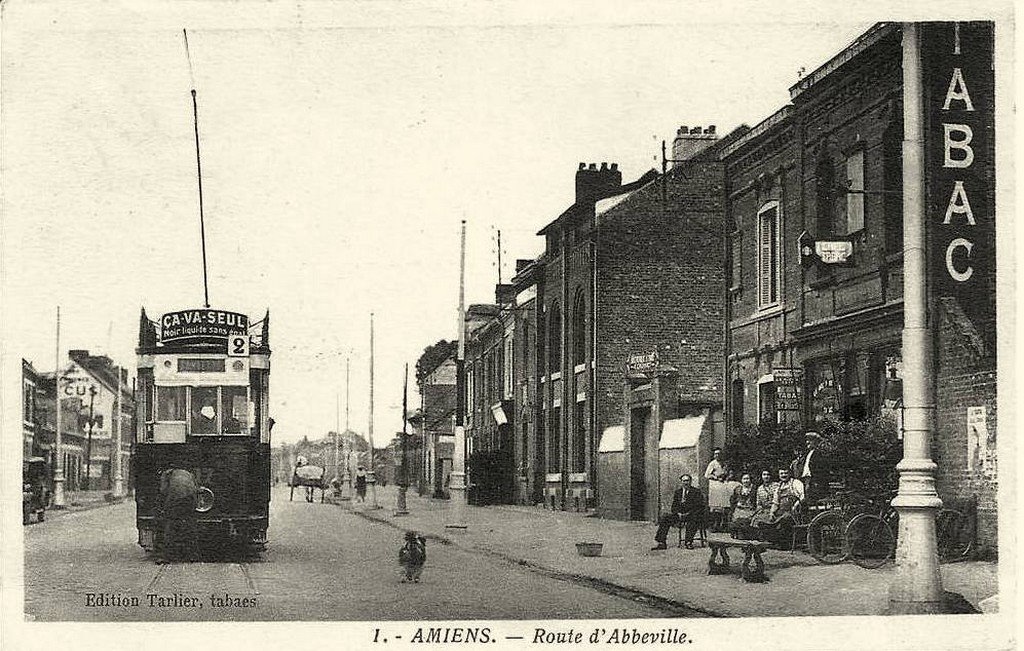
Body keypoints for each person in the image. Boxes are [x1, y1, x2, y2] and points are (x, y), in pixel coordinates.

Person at [652, 474, 704, 550]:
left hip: (691, 514)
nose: (686, 483)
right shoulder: (678, 492)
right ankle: (661, 542)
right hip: (680, 515)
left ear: (691, 481)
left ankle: (688, 542)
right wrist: (678, 513)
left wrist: (688, 513)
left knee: (694, 519)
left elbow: (699, 507)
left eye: (687, 481)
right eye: (684, 481)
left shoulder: (696, 492)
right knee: (665, 517)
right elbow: (674, 506)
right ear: (681, 482)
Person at [757, 468, 805, 547]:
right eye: (781, 474)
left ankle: (784, 544)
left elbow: (802, 497)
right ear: (779, 475)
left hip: (794, 511)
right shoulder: (779, 486)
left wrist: (795, 506)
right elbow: (775, 502)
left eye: (785, 473)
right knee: (763, 519)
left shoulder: (796, 483)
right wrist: (772, 512)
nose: (784, 475)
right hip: (781, 510)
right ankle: (774, 541)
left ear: (789, 474)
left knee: (785, 519)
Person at [796, 431, 830, 503]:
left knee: (811, 500)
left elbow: (821, 469)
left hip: (813, 480)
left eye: (810, 440)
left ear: (816, 442)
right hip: (805, 480)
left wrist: (816, 481)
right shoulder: (807, 453)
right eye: (807, 440)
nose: (807, 442)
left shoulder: (819, 454)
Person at [704, 448, 730, 531]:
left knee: (724, 505)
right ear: (714, 455)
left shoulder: (724, 464)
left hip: (723, 485)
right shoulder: (712, 464)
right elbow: (707, 475)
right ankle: (714, 525)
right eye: (716, 454)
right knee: (715, 506)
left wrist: (726, 477)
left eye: (719, 454)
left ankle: (723, 525)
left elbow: (727, 473)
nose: (717, 455)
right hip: (715, 486)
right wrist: (716, 477)